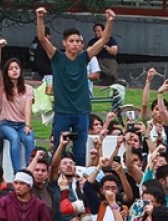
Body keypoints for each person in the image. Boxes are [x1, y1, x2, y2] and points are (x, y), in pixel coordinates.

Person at [35, 6, 116, 166]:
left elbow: (104, 40)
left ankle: (77, 179)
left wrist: (109, 21)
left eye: (78, 41)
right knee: (59, 148)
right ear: (64, 43)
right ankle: (56, 178)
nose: (75, 44)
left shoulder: (84, 57)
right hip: (62, 111)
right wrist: (40, 18)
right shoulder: (56, 57)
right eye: (71, 41)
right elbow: (42, 39)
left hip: (81, 111)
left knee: (80, 151)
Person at [0, 39, 35, 172]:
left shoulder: (28, 88)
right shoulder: (3, 88)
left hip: (22, 124)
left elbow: (28, 107)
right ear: (7, 72)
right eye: (10, 69)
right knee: (15, 139)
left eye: (16, 68)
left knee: (29, 140)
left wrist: (28, 125)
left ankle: (30, 170)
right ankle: (18, 172)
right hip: (6, 123)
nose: (14, 71)